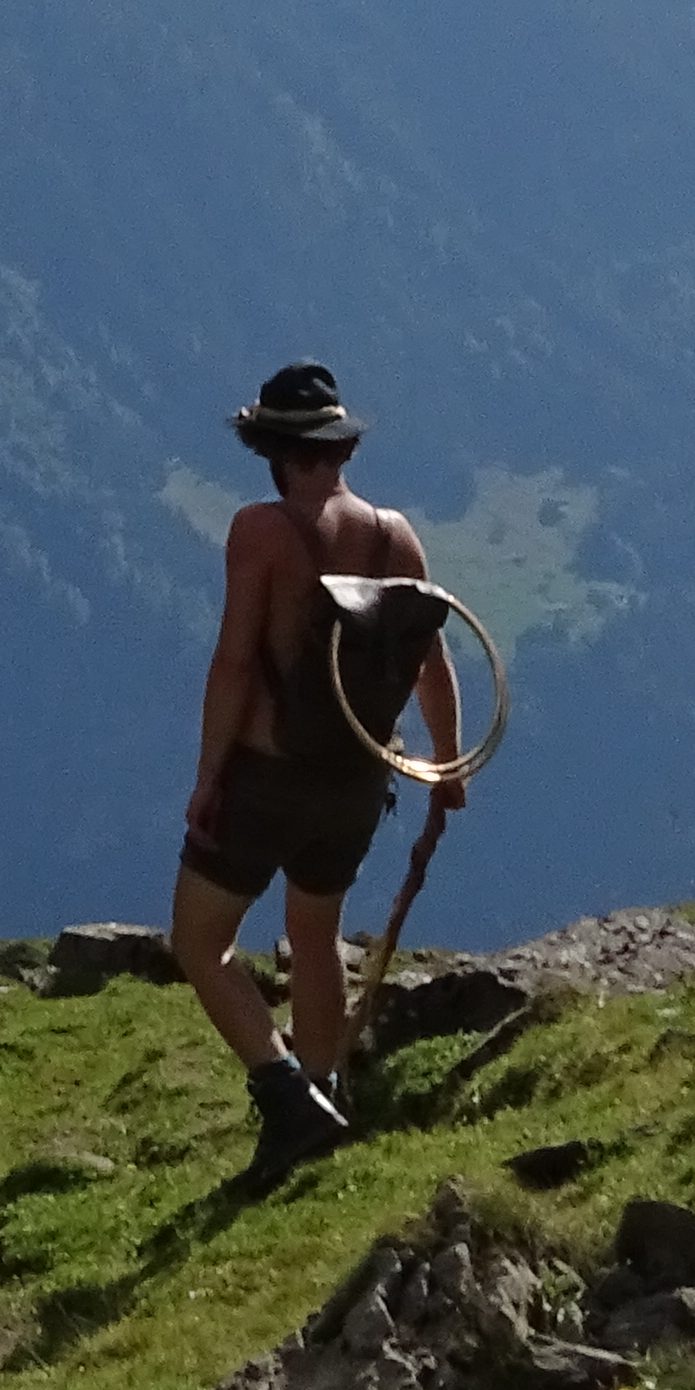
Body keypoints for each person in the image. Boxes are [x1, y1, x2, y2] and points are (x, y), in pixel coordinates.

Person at [173, 358, 465, 1176]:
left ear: (269, 447)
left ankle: (288, 1098)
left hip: (270, 775)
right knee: (316, 932)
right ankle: (327, 1090)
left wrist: (207, 779)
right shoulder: (394, 534)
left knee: (199, 943)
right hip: (361, 778)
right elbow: (429, 660)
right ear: (339, 447)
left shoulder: (259, 534)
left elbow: (235, 663)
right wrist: (445, 765)